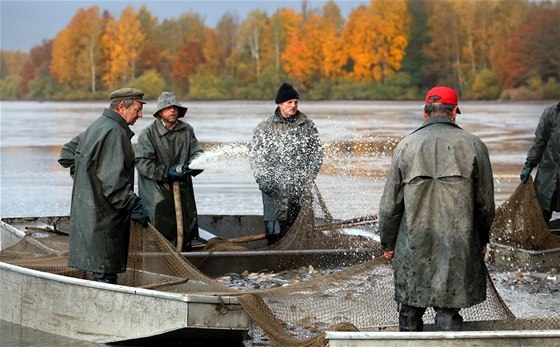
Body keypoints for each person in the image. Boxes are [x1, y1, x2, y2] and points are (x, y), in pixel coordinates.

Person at [379, 86, 495, 331]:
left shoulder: (405, 146)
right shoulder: (475, 145)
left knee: (409, 309)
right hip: (458, 244)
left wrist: (388, 244)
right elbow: (485, 204)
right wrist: (482, 238)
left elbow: (390, 206)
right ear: (454, 112)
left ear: (425, 112)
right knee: (448, 311)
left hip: (412, 244)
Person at [59, 88, 150, 284]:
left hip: (90, 219)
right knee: (105, 275)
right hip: (105, 221)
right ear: (121, 107)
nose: (140, 115)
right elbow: (114, 185)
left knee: (99, 271)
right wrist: (134, 205)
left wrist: (87, 179)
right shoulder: (114, 132)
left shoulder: (98, 125)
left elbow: (67, 154)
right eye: (137, 109)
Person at [249, 83, 323, 245]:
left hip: (300, 190)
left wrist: (310, 174)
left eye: (296, 101)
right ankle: (275, 264)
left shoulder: (307, 125)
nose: (293, 105)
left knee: (300, 233)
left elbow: (317, 154)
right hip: (273, 193)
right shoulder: (265, 128)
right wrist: (263, 181)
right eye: (289, 102)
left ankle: (299, 266)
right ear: (280, 104)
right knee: (274, 235)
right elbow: (256, 158)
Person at [135, 91, 204, 251]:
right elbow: (142, 163)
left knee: (186, 230)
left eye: (175, 107)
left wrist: (192, 166)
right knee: (160, 235)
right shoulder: (148, 134)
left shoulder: (187, 130)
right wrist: (168, 172)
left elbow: (197, 153)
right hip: (157, 196)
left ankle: (185, 255)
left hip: (183, 191)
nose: (172, 110)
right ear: (160, 112)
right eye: (168, 108)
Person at [520, 102, 560, 225]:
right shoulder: (551, 114)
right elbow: (539, 142)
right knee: (541, 218)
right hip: (548, 175)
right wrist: (529, 165)